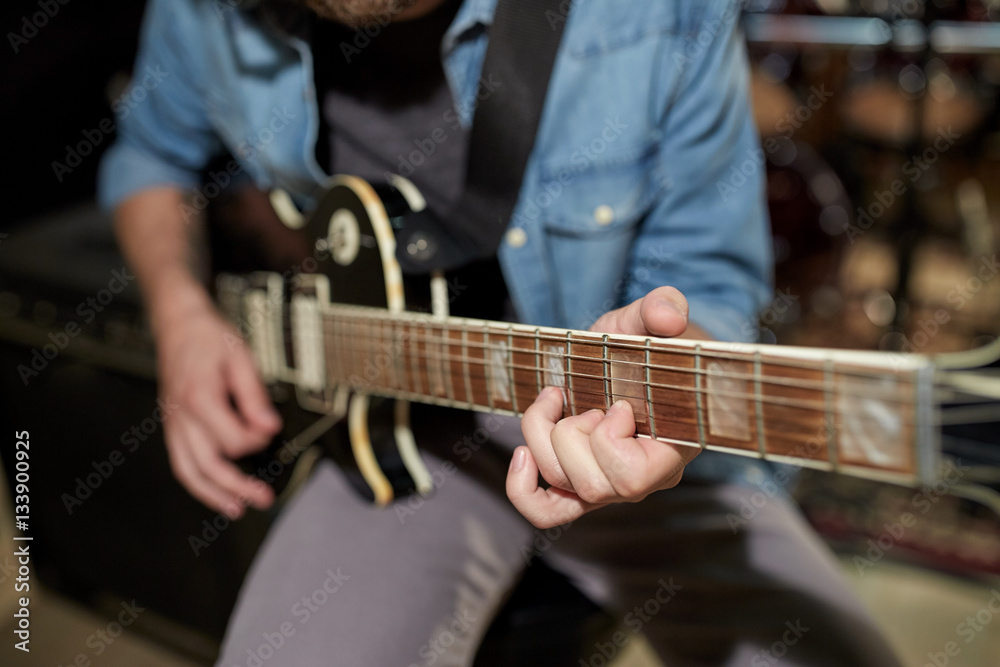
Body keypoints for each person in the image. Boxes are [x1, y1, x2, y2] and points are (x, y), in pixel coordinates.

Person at [98, 0, 904, 664]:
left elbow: (713, 278)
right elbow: (147, 154)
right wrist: (180, 312)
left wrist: (679, 351)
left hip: (617, 421)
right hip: (393, 444)